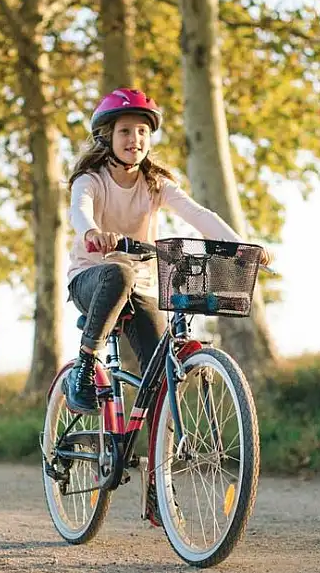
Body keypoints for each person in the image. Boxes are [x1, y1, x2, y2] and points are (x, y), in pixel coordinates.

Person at [64, 87, 273, 415]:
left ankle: (156, 462)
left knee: (160, 377)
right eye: (125, 131)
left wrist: (241, 245)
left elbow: (199, 215)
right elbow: (80, 208)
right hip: (92, 280)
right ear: (106, 137)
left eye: (143, 131)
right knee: (119, 272)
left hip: (141, 286)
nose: (136, 138)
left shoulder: (154, 183)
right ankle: (85, 367)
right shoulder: (91, 179)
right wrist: (92, 231)